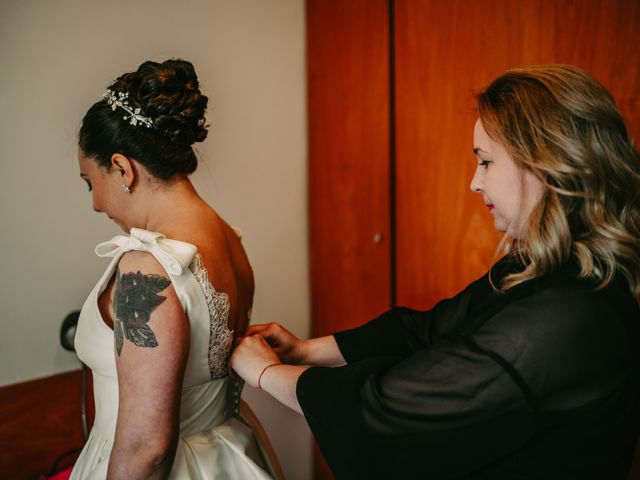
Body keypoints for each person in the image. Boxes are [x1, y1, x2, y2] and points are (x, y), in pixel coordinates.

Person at [230, 64, 640, 479]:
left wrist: (267, 374)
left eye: (485, 162)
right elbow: (428, 328)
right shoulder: (538, 266)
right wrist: (304, 350)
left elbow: (387, 409)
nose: (474, 184)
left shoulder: (566, 315)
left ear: (544, 164)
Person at [71, 59, 272, 479]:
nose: (94, 203)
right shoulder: (228, 239)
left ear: (122, 168)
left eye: (91, 182)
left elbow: (147, 448)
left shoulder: (146, 269)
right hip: (231, 453)